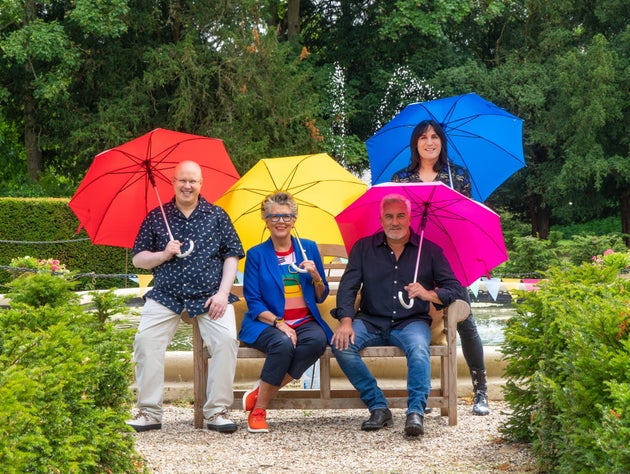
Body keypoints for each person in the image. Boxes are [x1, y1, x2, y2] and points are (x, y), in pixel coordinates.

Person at [331, 194, 465, 437]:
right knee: (341, 346)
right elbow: (348, 287)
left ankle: (415, 412)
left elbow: (455, 289)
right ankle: (378, 406)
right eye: (389, 216)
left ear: (410, 217)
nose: (395, 222)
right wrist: (346, 321)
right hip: (370, 320)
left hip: (410, 322)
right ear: (381, 219)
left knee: (419, 349)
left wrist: (428, 293)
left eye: (400, 215)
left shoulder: (430, 250)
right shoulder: (363, 248)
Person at [126, 160, 244, 433]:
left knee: (226, 341)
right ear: (173, 182)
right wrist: (163, 254)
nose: (188, 186)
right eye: (183, 180)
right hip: (166, 295)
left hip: (209, 296)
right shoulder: (157, 217)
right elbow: (139, 259)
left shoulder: (217, 215)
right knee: (145, 341)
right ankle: (149, 412)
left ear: (201, 184)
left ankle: (217, 412)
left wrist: (223, 294)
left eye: (193, 181)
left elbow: (232, 255)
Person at [391, 119, 490, 416]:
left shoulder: (457, 175)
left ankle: (480, 390)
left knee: (463, 319)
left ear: (442, 142)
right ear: (415, 143)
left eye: (435, 137)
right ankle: (426, 393)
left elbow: (466, 218)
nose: (430, 142)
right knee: (422, 323)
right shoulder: (402, 178)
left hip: (450, 256)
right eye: (423, 137)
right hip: (415, 257)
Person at [239, 191, 333, 433]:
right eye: (274, 217)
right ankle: (259, 410)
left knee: (317, 341)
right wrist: (280, 323)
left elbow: (321, 295)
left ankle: (261, 392)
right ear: (266, 220)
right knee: (282, 344)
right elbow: (254, 301)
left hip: (304, 320)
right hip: (267, 323)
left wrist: (315, 276)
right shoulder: (257, 255)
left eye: (286, 216)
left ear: (294, 219)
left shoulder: (308, 249)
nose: (280, 221)